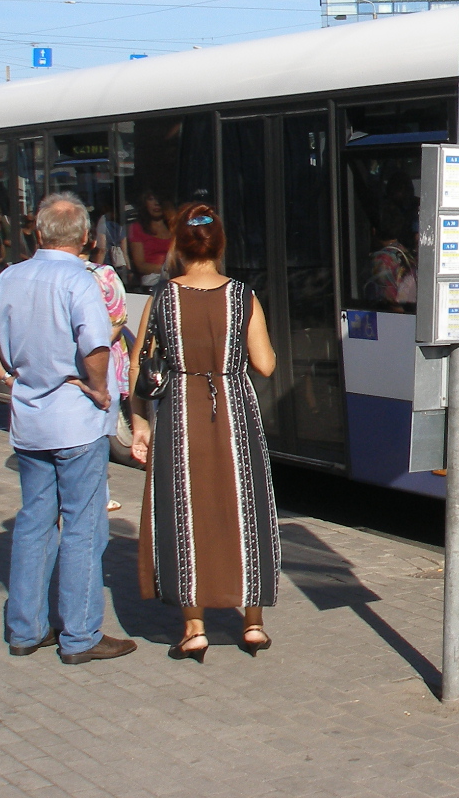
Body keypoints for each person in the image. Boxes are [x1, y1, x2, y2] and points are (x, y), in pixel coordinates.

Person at [0, 193, 136, 664]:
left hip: (30, 420)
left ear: (38, 233)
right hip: (76, 422)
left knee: (34, 522)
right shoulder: (80, 282)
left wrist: (5, 375)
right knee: (83, 527)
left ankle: (25, 630)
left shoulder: (11, 277)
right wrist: (99, 391)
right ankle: (80, 635)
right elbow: (96, 346)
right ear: (87, 239)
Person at [130, 202, 279, 661]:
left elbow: (137, 365)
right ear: (220, 245)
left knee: (184, 512)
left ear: (180, 245)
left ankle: (194, 628)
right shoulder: (243, 297)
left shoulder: (162, 299)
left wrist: (138, 424)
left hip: (180, 414)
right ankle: (252, 624)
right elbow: (266, 364)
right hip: (234, 411)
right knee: (244, 509)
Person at [79, 237, 132, 513]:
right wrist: (96, 347)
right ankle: (99, 494)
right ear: (93, 242)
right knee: (99, 429)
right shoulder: (106, 275)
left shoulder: (57, 276)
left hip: (74, 364)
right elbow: (119, 319)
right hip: (106, 362)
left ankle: (91, 494)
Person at [126, 191, 173, 288]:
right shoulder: (137, 228)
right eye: (151, 199)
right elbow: (140, 265)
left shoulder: (174, 227)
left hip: (176, 278)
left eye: (160, 200)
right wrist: (166, 270)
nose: (157, 203)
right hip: (151, 282)